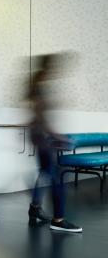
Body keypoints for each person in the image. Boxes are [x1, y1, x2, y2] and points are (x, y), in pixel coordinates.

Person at [27, 53, 82, 232]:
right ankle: (58, 220)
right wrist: (58, 136)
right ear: (48, 68)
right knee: (55, 177)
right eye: (56, 68)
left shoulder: (37, 86)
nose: (58, 71)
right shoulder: (38, 88)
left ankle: (35, 208)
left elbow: (37, 116)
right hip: (41, 137)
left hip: (38, 135)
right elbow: (40, 118)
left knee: (44, 173)